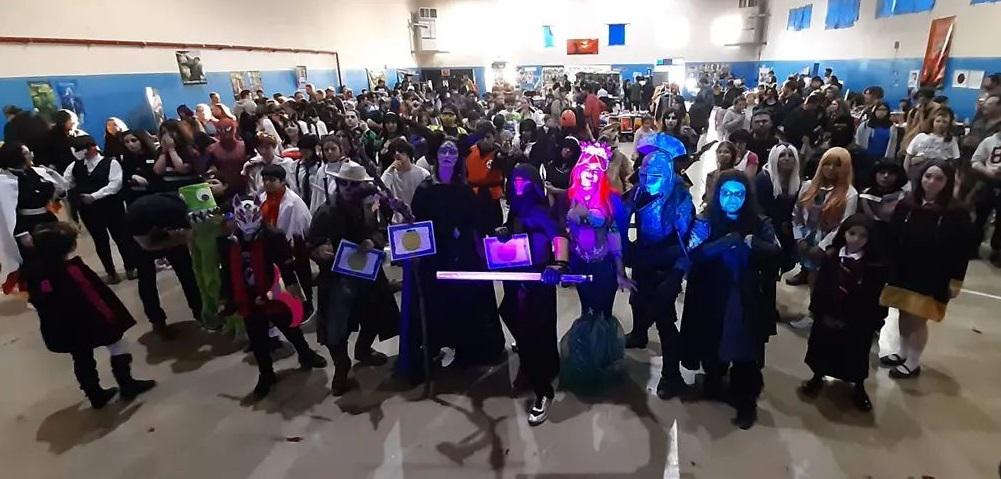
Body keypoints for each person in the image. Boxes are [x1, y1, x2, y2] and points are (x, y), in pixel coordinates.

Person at [681, 170, 781, 429]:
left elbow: (778, 252)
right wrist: (723, 244)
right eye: (726, 193)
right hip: (711, 295)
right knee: (710, 340)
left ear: (747, 196)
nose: (732, 199)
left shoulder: (759, 222)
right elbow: (691, 253)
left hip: (745, 297)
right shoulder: (705, 220)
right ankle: (714, 380)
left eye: (738, 194)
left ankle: (746, 400)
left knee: (744, 349)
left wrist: (753, 243)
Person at [22, 222, 156, 409]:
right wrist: (111, 316)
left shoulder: (35, 271)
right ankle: (126, 383)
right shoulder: (72, 270)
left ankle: (94, 394)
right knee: (117, 344)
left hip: (63, 326)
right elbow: (93, 295)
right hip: (90, 320)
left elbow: (37, 301)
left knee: (81, 357)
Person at [218, 195, 326, 400]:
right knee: (257, 339)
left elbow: (286, 269)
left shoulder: (273, 236)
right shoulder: (228, 242)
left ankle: (306, 354)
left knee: (291, 328)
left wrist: (294, 296)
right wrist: (226, 298)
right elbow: (226, 273)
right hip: (247, 295)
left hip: (273, 291)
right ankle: (266, 374)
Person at [410, 139, 504, 370]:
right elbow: (419, 221)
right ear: (436, 155)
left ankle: (469, 348)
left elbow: (474, 222)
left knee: (467, 299)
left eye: (452, 151)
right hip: (437, 254)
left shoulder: (464, 189)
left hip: (463, 252)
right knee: (439, 301)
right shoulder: (425, 189)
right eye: (443, 150)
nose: (447, 155)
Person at [308, 160, 400, 395]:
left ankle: (363, 349)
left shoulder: (369, 207)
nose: (348, 188)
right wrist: (319, 252)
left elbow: (380, 231)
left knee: (376, 315)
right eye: (344, 183)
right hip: (337, 278)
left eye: (354, 184)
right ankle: (342, 366)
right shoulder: (325, 212)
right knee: (336, 328)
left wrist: (373, 241)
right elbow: (311, 243)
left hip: (367, 273)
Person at [879, 160, 971, 378]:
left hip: (933, 274)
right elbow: (892, 237)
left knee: (918, 318)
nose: (931, 182)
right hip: (903, 270)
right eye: (928, 176)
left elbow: (961, 250)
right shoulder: (907, 204)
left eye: (939, 178)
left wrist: (955, 280)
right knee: (903, 313)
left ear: (948, 182)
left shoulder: (956, 212)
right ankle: (902, 352)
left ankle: (913, 361)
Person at [496, 164, 569, 426]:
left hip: (539, 278)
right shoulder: (517, 210)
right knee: (511, 314)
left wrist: (559, 264)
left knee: (535, 331)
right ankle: (536, 363)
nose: (519, 185)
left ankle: (543, 390)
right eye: (515, 181)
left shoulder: (540, 211)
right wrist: (504, 233)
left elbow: (559, 236)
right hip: (516, 277)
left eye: (524, 181)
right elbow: (511, 230)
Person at [622, 133, 693, 399]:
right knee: (637, 300)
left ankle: (671, 375)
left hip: (667, 262)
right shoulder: (639, 190)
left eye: (655, 175)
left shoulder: (680, 197)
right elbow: (624, 214)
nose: (648, 179)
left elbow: (688, 241)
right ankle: (639, 334)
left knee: (664, 320)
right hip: (643, 255)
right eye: (644, 174)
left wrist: (676, 274)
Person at [559, 142, 633, 394]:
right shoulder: (570, 198)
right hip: (580, 263)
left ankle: (602, 362)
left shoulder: (610, 200)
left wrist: (620, 272)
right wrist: (563, 263)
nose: (590, 174)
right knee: (587, 312)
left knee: (602, 314)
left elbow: (615, 236)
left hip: (604, 267)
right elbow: (563, 234)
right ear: (578, 171)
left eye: (595, 171)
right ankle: (585, 362)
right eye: (585, 170)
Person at [799, 214, 888, 411]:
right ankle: (817, 377)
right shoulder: (832, 257)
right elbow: (821, 285)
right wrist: (818, 310)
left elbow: (875, 296)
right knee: (822, 348)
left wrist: (874, 320)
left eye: (862, 236)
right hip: (829, 313)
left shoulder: (874, 265)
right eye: (852, 233)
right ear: (844, 233)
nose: (856, 239)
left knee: (855, 354)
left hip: (856, 319)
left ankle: (858, 386)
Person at [788, 148, 858, 330]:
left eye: (837, 165)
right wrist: (799, 238)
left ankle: (821, 314)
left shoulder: (850, 194)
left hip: (830, 246)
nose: (831, 169)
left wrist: (822, 245)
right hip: (806, 240)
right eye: (827, 164)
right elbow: (796, 213)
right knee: (812, 279)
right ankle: (813, 313)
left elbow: (844, 224)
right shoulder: (807, 186)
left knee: (826, 282)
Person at [127, 192, 203, 339]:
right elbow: (147, 246)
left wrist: (175, 240)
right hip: (141, 240)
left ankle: (199, 311)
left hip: (165, 226)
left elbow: (188, 236)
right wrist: (174, 241)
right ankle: (157, 321)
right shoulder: (135, 219)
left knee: (187, 274)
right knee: (147, 280)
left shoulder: (179, 209)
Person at [62, 135, 136, 284]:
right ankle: (111, 272)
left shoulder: (111, 163)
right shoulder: (74, 166)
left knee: (121, 237)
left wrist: (94, 196)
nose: (81, 153)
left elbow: (115, 184)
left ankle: (130, 267)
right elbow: (67, 183)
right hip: (88, 210)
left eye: (83, 149)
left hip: (111, 206)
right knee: (100, 241)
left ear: (92, 147)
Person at [0, 142, 67, 293]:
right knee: (36, 263)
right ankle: (42, 292)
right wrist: (21, 233)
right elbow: (7, 212)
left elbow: (58, 190)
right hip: (27, 225)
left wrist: (56, 187)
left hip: (48, 219)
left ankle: (61, 286)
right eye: (25, 153)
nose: (30, 155)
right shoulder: (5, 181)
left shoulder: (37, 172)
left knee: (57, 255)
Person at [257, 165, 315, 320]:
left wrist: (288, 246)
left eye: (272, 180)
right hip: (271, 249)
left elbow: (301, 226)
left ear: (282, 181)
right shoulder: (262, 198)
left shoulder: (294, 201)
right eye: (265, 180)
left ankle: (306, 309)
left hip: (293, 248)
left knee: (298, 281)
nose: (267, 183)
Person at [755, 143, 802, 280]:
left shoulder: (797, 181)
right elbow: (758, 208)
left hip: (788, 228)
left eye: (790, 155)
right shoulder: (763, 179)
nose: (787, 158)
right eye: (782, 155)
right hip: (767, 228)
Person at [466, 123, 507, 233]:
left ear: (494, 137)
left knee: (494, 229)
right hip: (474, 195)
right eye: (482, 137)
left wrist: (504, 155)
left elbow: (502, 161)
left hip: (492, 197)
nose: (485, 140)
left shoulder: (498, 153)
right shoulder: (470, 151)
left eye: (488, 137)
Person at [970, 128, 1001, 265]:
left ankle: (997, 250)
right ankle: (972, 247)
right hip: (989, 182)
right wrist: (987, 171)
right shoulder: (989, 141)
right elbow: (975, 160)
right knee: (980, 217)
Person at [904, 107, 960, 182]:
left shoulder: (951, 141)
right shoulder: (921, 137)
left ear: (949, 124)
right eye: (938, 121)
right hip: (919, 171)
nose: (940, 124)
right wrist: (906, 174)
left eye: (944, 122)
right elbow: (908, 157)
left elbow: (955, 161)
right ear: (932, 121)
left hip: (940, 172)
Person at [380, 139, 430, 223]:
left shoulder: (423, 173)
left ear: (408, 153)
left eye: (401, 151)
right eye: (394, 153)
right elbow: (381, 189)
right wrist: (390, 170)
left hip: (420, 219)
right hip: (398, 221)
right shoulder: (391, 174)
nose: (397, 154)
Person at [153, 120, 202, 191]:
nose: (166, 136)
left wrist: (171, 149)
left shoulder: (188, 149)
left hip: (187, 187)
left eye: (170, 132)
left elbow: (182, 169)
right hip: (168, 188)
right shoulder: (161, 150)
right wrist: (164, 151)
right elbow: (158, 171)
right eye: (164, 133)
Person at [898, 88, 939, 158]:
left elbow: (925, 129)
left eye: (923, 96)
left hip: (927, 144)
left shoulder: (936, 110)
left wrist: (921, 114)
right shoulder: (914, 110)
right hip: (911, 142)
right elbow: (908, 129)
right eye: (919, 96)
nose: (921, 99)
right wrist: (903, 144)